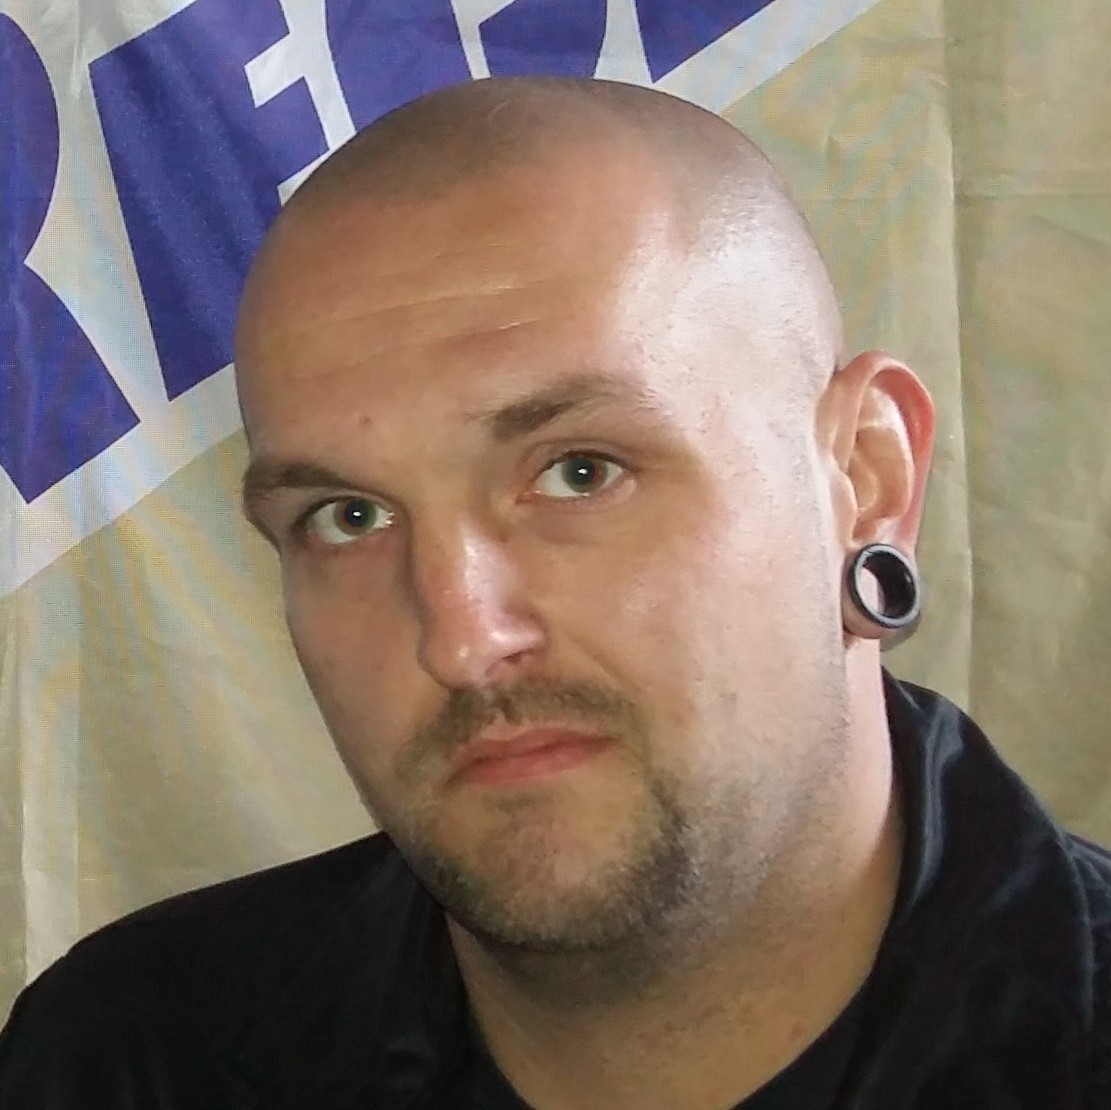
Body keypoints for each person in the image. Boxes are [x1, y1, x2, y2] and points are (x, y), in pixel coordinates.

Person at [1, 76, 1108, 1110]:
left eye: (580, 472)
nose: (461, 638)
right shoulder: (125, 1059)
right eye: (348, 517)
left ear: (864, 479)